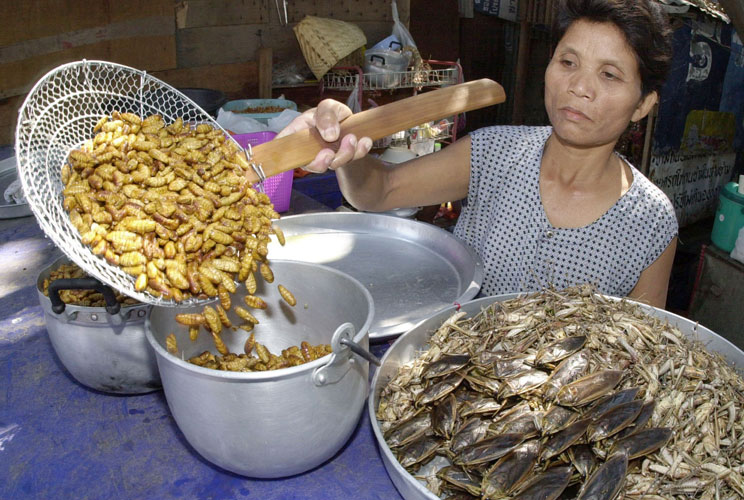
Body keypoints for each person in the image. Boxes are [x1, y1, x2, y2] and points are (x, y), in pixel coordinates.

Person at [278, 0, 678, 309]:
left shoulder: (651, 223)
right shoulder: (496, 153)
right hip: (458, 385)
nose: (579, 86)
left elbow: (640, 348)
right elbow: (379, 191)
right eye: (568, 62)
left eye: (609, 75)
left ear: (643, 103)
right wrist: (346, 146)